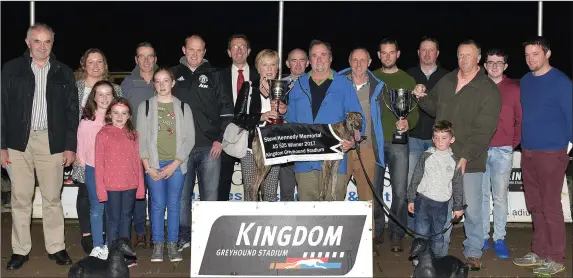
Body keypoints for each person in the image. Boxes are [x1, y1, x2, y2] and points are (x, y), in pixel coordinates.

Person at [412, 39, 502, 270]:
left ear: (478, 59)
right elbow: (433, 106)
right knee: (443, 209)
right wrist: (421, 96)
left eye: (468, 55)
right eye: (460, 55)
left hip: (468, 160)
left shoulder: (487, 89)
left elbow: (485, 129)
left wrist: (464, 156)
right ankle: (436, 251)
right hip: (442, 157)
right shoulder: (448, 79)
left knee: (470, 207)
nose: (463, 59)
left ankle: (473, 251)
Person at [2, 23, 77, 270]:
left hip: (51, 142)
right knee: (21, 198)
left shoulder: (63, 72)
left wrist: (69, 146)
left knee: (52, 198)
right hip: (17, 143)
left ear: (52, 44)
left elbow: (71, 113)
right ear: (28, 43)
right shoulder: (11, 69)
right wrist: (1, 146)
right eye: (37, 41)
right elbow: (1, 109)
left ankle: (56, 247)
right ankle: (19, 250)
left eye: (47, 42)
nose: (42, 47)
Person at [513, 37, 572, 276]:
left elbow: (571, 116)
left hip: (552, 153)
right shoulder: (526, 81)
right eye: (527, 55)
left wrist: (564, 149)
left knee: (551, 206)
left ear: (547, 54)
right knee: (535, 205)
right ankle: (539, 251)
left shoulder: (561, 82)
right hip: (528, 152)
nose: (530, 59)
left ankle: (556, 258)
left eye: (535, 54)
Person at [280, 39, 364, 201]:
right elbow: (292, 119)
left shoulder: (343, 84)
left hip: (334, 161)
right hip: (305, 162)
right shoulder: (299, 84)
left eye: (323, 55)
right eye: (314, 56)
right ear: (309, 60)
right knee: (309, 216)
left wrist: (353, 139)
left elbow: (358, 118)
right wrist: (284, 111)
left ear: (330, 58)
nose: (319, 60)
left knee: (332, 215)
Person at [171, 35, 233, 252]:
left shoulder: (215, 75)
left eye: (199, 50)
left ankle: (208, 235)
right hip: (182, 148)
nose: (195, 54)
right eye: (191, 49)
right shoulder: (173, 74)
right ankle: (184, 235)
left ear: (204, 52)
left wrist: (220, 139)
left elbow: (227, 109)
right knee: (182, 196)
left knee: (210, 195)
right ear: (183, 50)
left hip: (210, 147)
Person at [137, 68, 195, 263]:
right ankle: (158, 244)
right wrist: (148, 167)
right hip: (153, 164)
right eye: (158, 81)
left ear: (172, 83)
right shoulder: (144, 107)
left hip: (176, 165)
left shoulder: (183, 107)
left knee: (174, 205)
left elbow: (189, 139)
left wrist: (174, 164)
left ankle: (172, 243)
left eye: (165, 81)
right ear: (154, 84)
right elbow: (141, 140)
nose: (162, 85)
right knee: (157, 205)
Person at [73, 48, 123, 254]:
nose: (95, 66)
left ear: (105, 65)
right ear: (84, 64)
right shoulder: (74, 87)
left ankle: (105, 234)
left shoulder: (116, 89)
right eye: (91, 62)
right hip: (83, 150)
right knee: (86, 193)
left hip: (109, 157)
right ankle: (88, 234)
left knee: (106, 196)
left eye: (99, 62)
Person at [338, 48, 386, 256]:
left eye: (363, 60)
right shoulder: (338, 81)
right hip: (341, 147)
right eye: (354, 60)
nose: (358, 64)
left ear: (369, 61)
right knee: (336, 193)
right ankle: (336, 240)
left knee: (367, 197)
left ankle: (368, 242)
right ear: (349, 61)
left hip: (366, 148)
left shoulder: (378, 86)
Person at [372, 38, 419, 253]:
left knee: (400, 192)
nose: (388, 56)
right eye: (384, 53)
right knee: (375, 191)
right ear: (379, 55)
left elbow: (416, 112)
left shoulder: (408, 80)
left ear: (398, 54)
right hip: (375, 142)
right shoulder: (372, 77)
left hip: (399, 142)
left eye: (392, 52)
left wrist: (408, 122)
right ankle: (377, 230)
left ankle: (397, 233)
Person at [481, 48, 522, 259]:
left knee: (500, 197)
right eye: (490, 62)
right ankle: (480, 237)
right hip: (480, 150)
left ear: (505, 66)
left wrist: (512, 143)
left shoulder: (514, 89)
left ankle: (499, 238)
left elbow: (520, 120)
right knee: (481, 197)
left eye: (499, 63)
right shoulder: (478, 86)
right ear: (485, 65)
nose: (494, 66)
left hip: (503, 150)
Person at [406, 37, 449, 231]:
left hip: (438, 141)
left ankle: (434, 227)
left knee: (437, 185)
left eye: (431, 50)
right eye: (423, 50)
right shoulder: (409, 75)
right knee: (413, 183)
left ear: (437, 53)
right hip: (414, 137)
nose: (427, 53)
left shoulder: (447, 77)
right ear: (418, 52)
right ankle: (412, 227)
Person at [95, 97, 144, 266]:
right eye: (116, 113)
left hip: (130, 185)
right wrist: (100, 190)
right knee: (113, 221)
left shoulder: (134, 135)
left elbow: (138, 162)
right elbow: (99, 165)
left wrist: (140, 188)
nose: (119, 116)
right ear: (109, 114)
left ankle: (126, 253)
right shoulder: (103, 134)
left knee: (125, 219)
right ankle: (113, 254)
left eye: (124, 113)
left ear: (129, 115)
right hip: (111, 187)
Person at [407, 120, 465, 258]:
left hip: (441, 205)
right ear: (433, 138)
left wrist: (458, 206)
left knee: (438, 237)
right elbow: (415, 177)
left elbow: (457, 185)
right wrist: (411, 198)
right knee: (421, 234)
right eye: (437, 138)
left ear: (452, 139)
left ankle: (436, 265)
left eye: (444, 138)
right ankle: (420, 266)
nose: (440, 141)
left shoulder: (455, 161)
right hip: (423, 202)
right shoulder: (426, 156)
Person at [121, 42, 158, 249]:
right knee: (137, 193)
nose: (146, 60)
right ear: (136, 59)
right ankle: (141, 233)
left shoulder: (163, 80)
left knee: (156, 193)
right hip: (134, 148)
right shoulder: (127, 83)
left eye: (150, 56)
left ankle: (156, 233)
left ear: (155, 58)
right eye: (142, 56)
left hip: (158, 148)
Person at [76, 80, 118, 260]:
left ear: (114, 96)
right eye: (100, 94)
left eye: (108, 94)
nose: (104, 98)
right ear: (94, 96)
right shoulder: (87, 121)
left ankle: (110, 244)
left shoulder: (118, 119)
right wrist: (87, 169)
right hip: (93, 170)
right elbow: (81, 147)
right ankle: (97, 246)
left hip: (114, 171)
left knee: (112, 208)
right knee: (96, 207)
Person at [233, 49, 282, 201]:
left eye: (272, 65)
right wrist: (261, 116)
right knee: (250, 191)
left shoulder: (282, 88)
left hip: (274, 147)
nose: (269, 69)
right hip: (250, 147)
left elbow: (290, 116)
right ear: (258, 67)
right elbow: (238, 117)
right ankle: (249, 224)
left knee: (270, 192)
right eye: (265, 65)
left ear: (277, 68)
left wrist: (283, 108)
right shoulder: (249, 87)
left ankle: (268, 224)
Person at [218, 34, 260, 201]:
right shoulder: (219, 77)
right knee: (223, 183)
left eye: (243, 46)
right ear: (229, 52)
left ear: (248, 51)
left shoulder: (259, 76)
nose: (239, 50)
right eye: (235, 47)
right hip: (226, 136)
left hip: (252, 137)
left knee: (252, 185)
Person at [279, 48, 309, 201]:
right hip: (285, 141)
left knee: (307, 191)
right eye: (294, 60)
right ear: (287, 63)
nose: (298, 65)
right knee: (286, 189)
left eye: (302, 60)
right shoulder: (278, 85)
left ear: (308, 63)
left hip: (308, 141)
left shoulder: (314, 84)